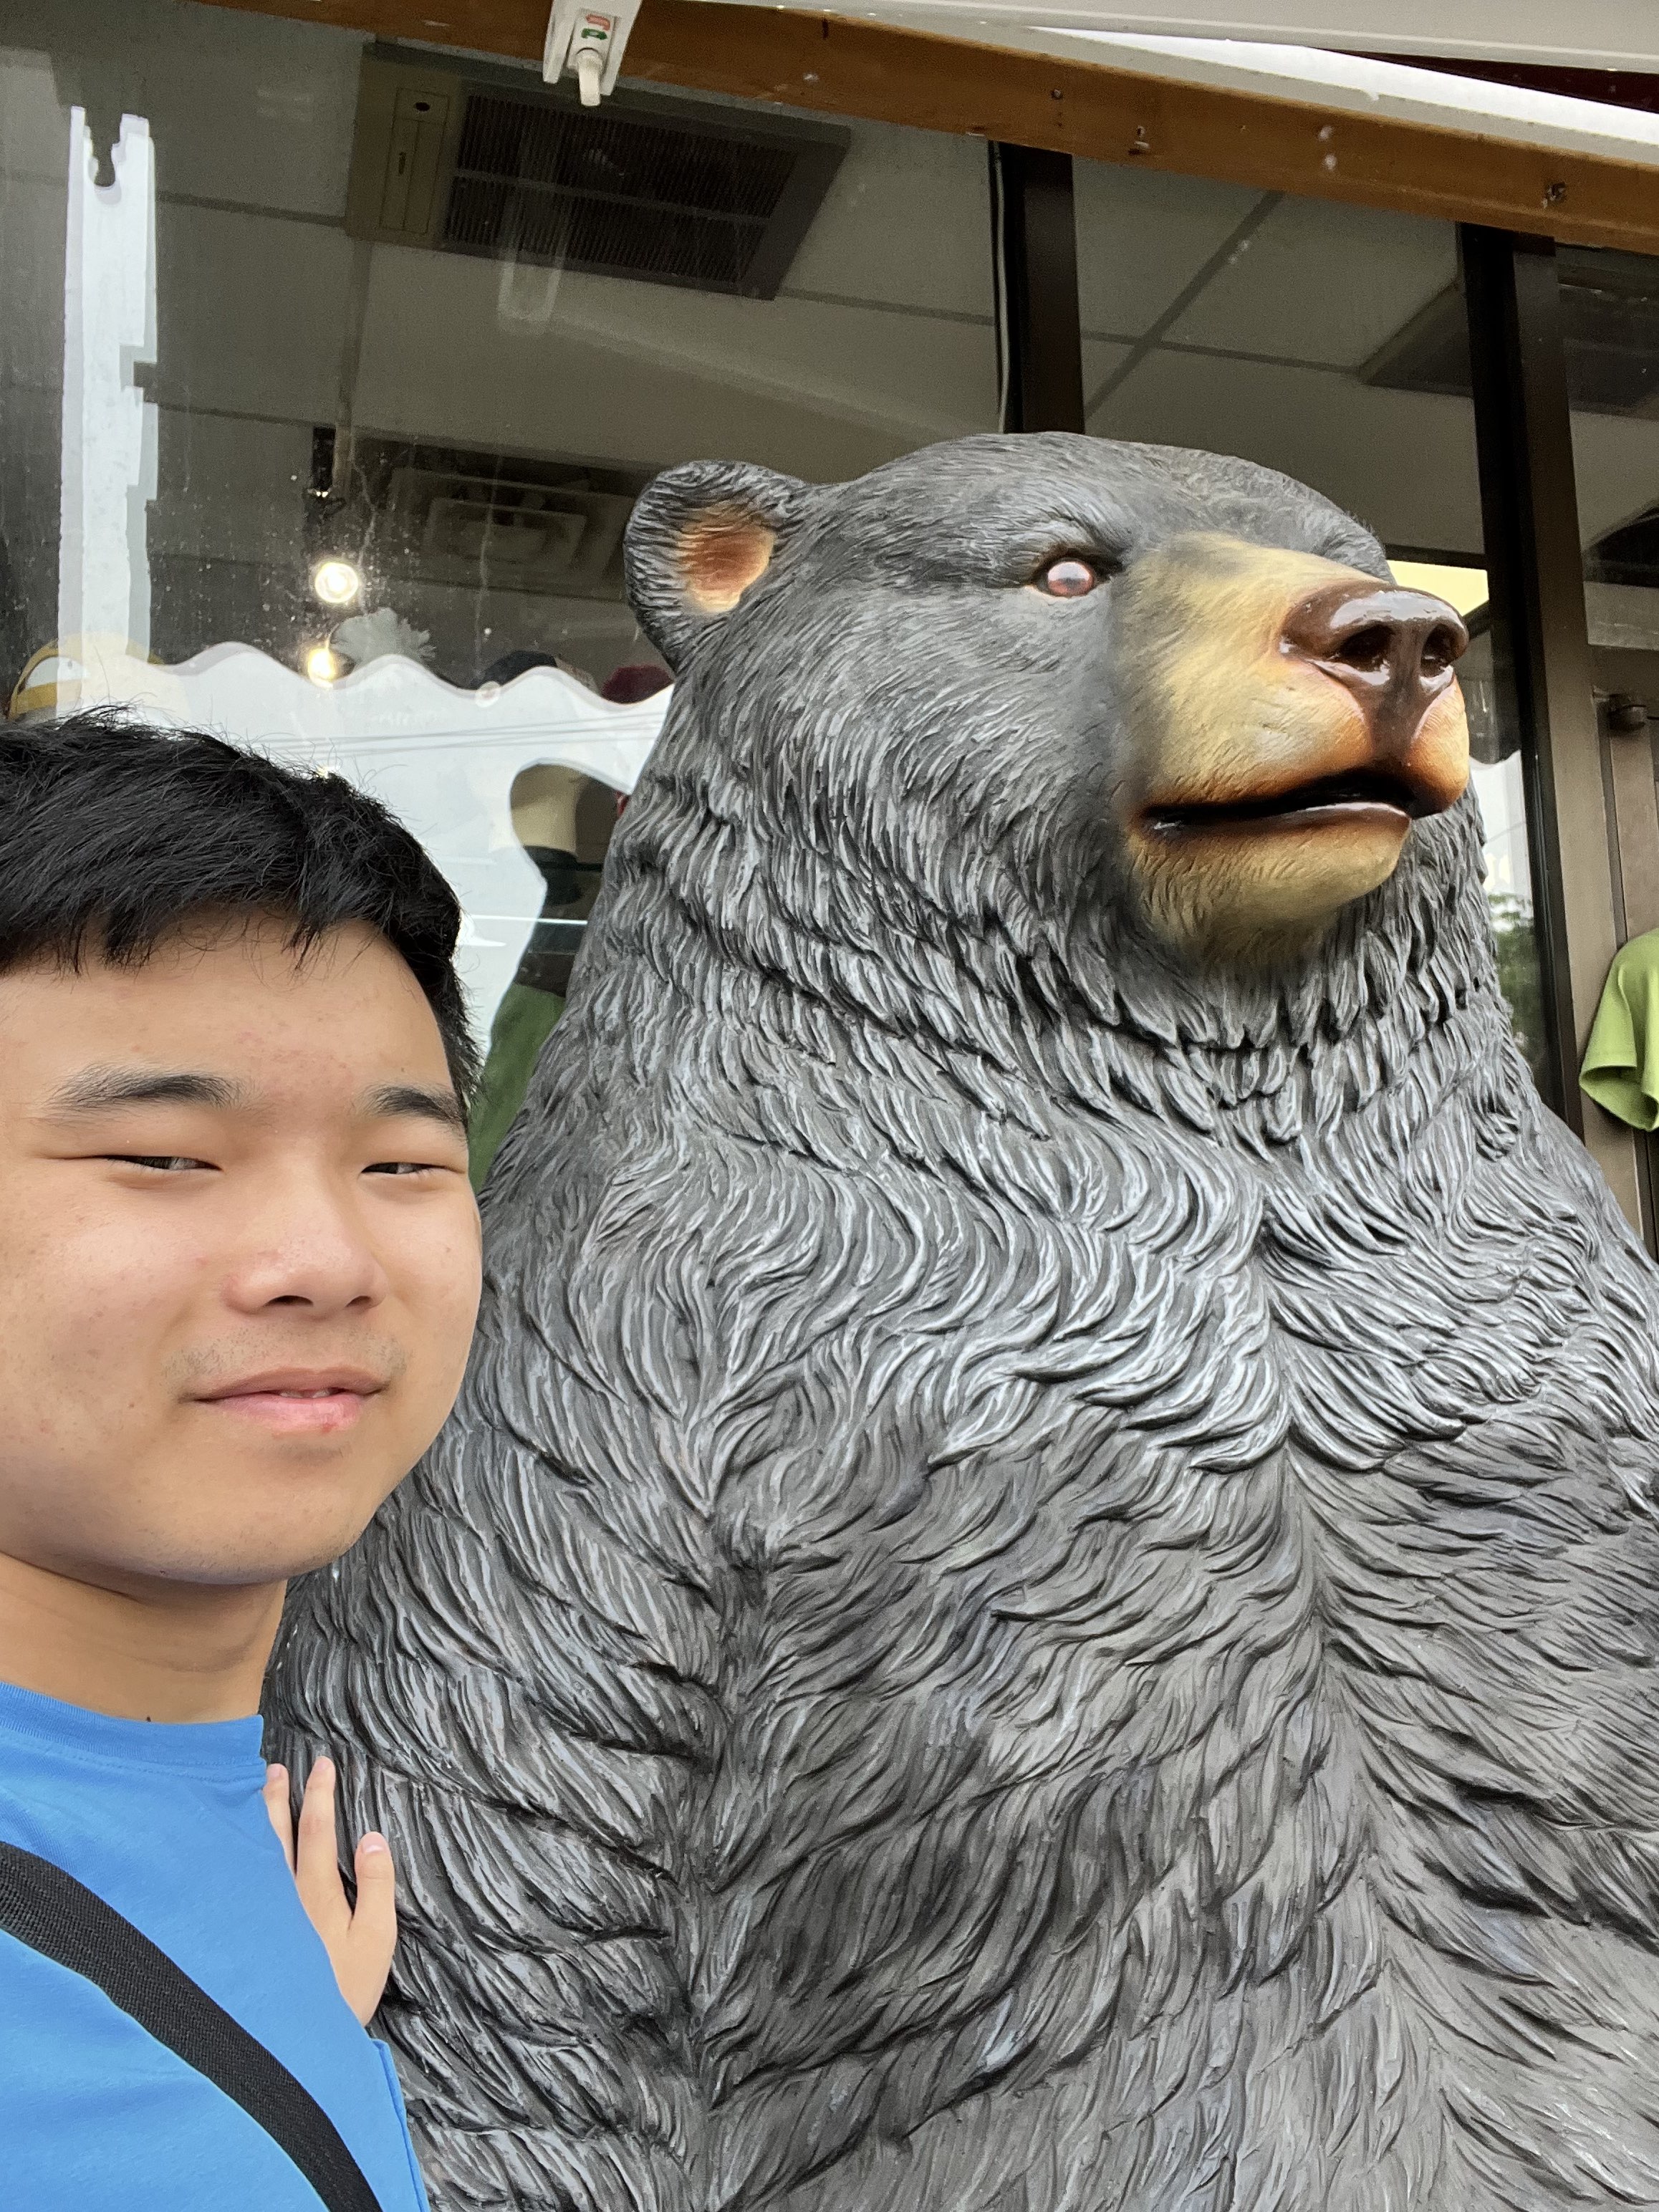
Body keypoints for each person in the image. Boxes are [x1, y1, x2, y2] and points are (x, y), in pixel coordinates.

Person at [0, 712, 484, 2208]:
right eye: (164, 1155)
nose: (324, 1260)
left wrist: (264, 2022)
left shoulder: (251, 1879)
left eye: (402, 1164)